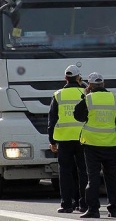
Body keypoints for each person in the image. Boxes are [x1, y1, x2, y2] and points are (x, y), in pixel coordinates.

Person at [74, 72, 116, 218]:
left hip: (91, 145)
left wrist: (84, 96)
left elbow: (77, 116)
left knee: (93, 177)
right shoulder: (115, 98)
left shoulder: (89, 98)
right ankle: (113, 209)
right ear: (103, 84)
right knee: (112, 177)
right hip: (110, 144)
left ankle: (93, 210)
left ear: (90, 85)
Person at [48, 65, 88, 214]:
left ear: (65, 78)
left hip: (64, 140)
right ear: (78, 78)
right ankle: (83, 204)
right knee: (83, 172)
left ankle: (66, 204)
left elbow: (52, 120)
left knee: (65, 173)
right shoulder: (85, 93)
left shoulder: (58, 95)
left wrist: (52, 141)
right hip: (82, 139)